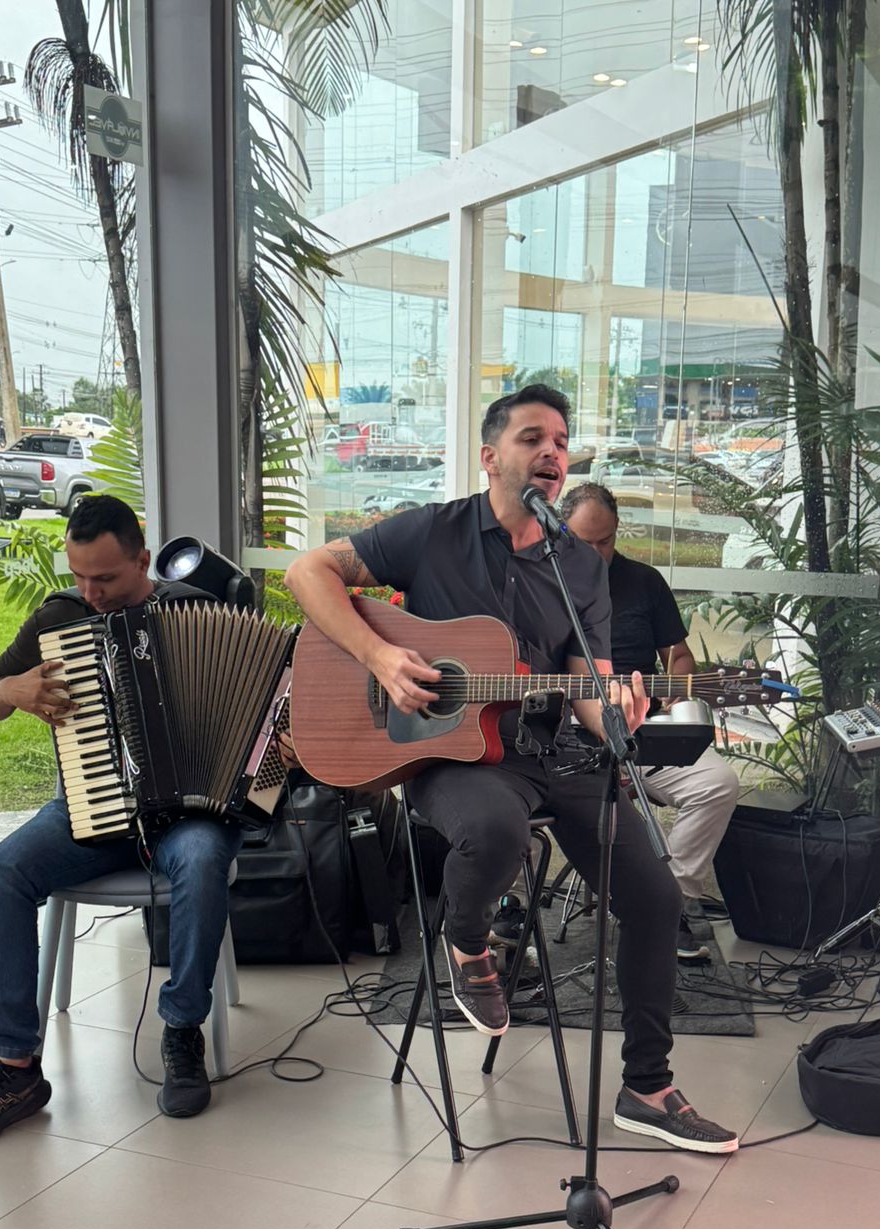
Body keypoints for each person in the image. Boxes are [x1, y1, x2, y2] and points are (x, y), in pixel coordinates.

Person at [285, 385, 737, 1154]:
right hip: (448, 753)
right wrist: (382, 657)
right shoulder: (431, 533)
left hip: (553, 755)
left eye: (561, 441)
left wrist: (619, 710)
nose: (552, 452)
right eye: (533, 438)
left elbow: (588, 684)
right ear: (491, 457)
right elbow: (307, 573)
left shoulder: (579, 566)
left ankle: (647, 1088)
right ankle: (467, 940)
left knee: (657, 899)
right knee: (495, 828)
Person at [0, 494, 244, 1146]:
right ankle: (14, 1068)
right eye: (79, 575)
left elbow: (263, 716)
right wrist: (11, 690)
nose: (90, 592)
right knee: (3, 869)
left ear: (142, 559)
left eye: (104, 578)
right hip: (91, 809)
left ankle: (181, 1032)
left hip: (187, 816)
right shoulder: (59, 618)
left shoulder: (195, 611)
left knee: (201, 859)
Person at [562, 481, 739, 961]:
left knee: (718, 784)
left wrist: (670, 690)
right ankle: (508, 912)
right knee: (505, 789)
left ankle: (668, 901)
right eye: (583, 542)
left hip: (639, 732)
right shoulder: (542, 582)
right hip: (561, 740)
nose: (595, 554)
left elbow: (678, 656)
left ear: (618, 531)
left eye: (605, 541)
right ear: (562, 533)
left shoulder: (644, 582)